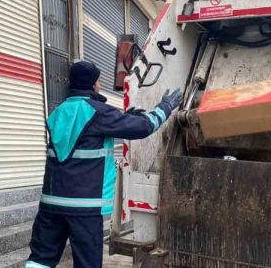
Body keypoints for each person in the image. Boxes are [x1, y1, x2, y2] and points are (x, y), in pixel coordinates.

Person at [26, 61, 181, 268]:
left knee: (40, 260)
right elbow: (144, 127)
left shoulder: (58, 112)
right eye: (98, 81)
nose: (100, 85)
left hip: (51, 203)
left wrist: (124, 119)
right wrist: (166, 107)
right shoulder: (98, 112)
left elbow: (83, 135)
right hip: (84, 207)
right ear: (92, 84)